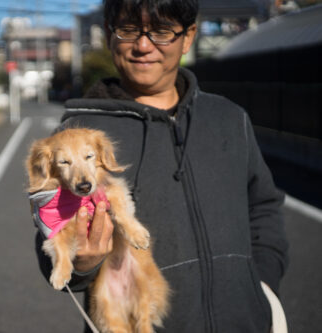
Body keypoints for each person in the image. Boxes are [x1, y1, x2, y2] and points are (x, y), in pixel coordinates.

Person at [33, 0, 289, 331]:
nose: (143, 45)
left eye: (162, 31)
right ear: (110, 35)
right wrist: (82, 263)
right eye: (128, 30)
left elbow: (264, 206)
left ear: (188, 36)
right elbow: (50, 231)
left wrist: (263, 283)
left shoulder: (229, 118)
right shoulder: (76, 136)